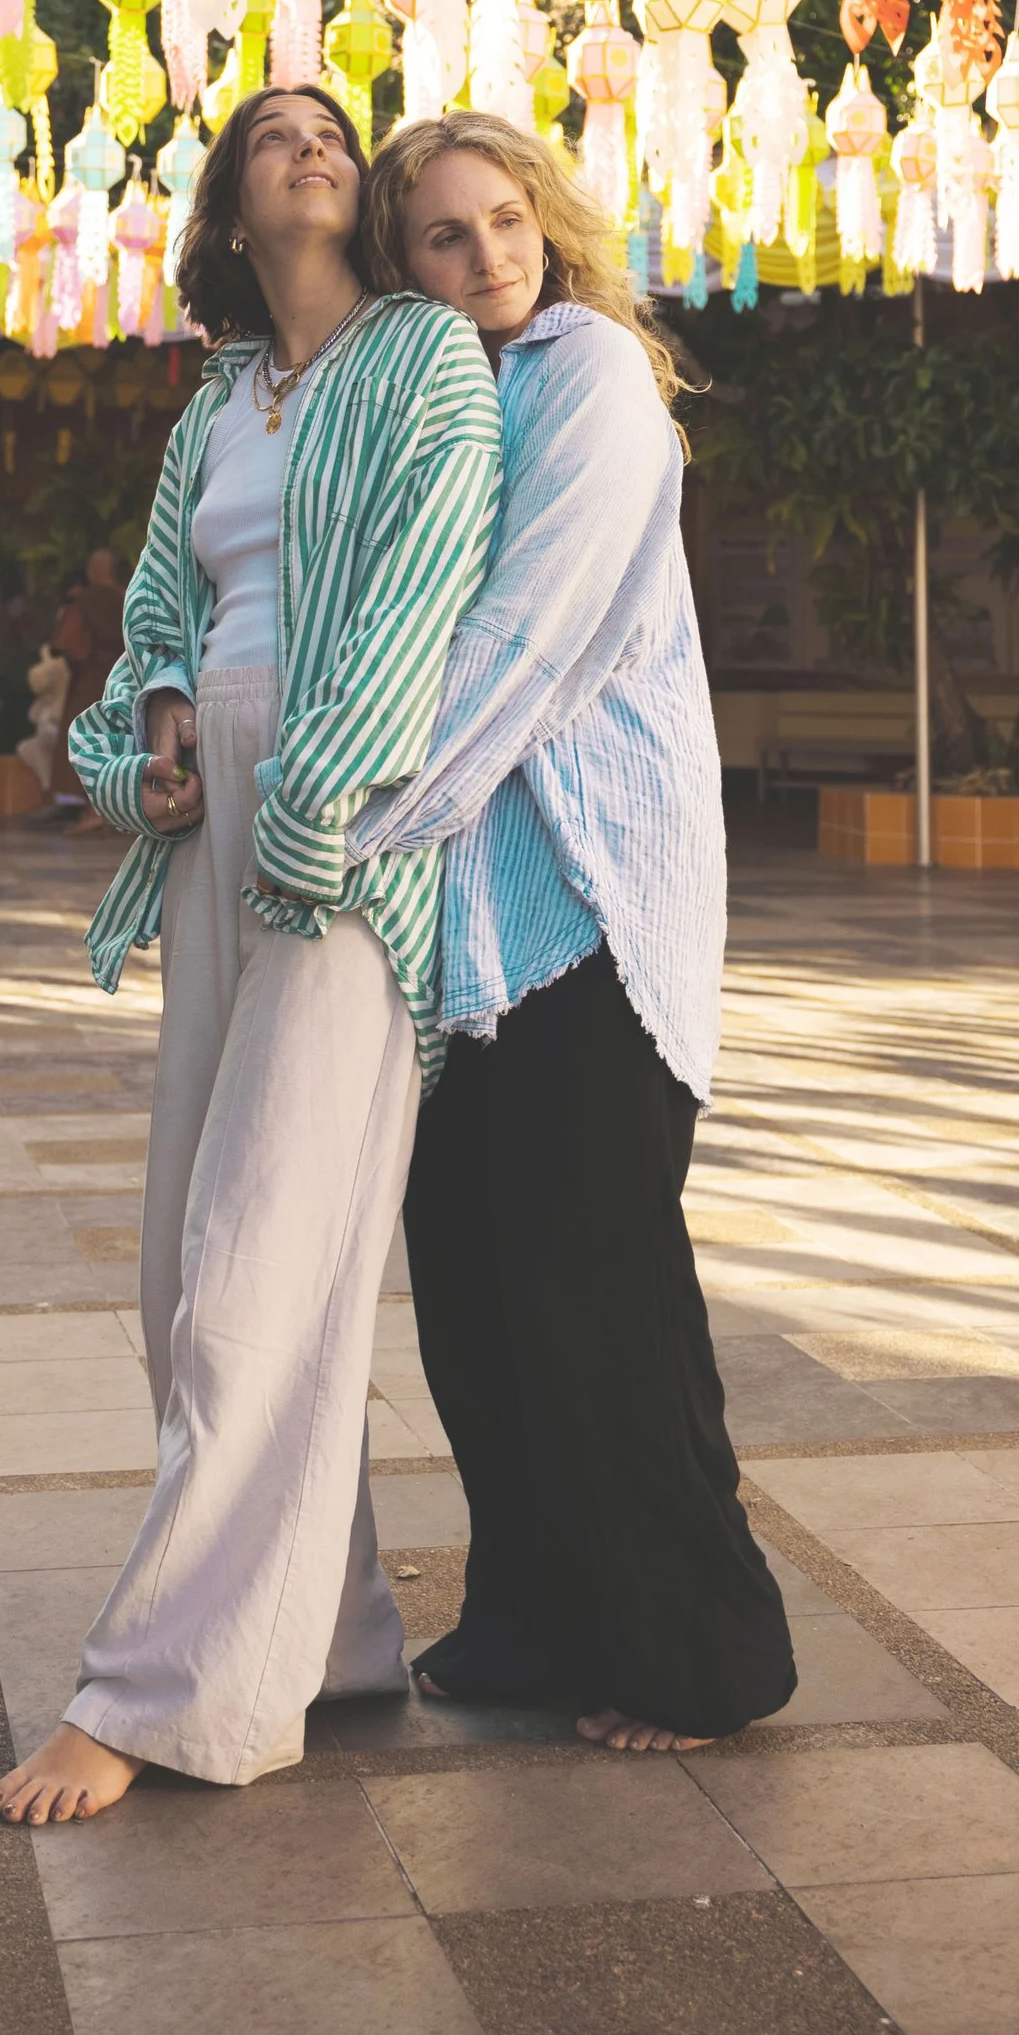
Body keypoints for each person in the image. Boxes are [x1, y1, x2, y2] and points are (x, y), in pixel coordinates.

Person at [0, 87, 500, 1828]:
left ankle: (159, 1693)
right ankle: (333, 1629)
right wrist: (165, 729)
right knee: (178, 1266)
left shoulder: (426, 357)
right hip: (218, 819)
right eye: (273, 128)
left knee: (260, 1254)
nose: (311, 138)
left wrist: (323, 795)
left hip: (346, 833)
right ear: (229, 196)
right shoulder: (218, 404)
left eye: (334, 127)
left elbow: (423, 587)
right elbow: (153, 612)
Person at [354, 110, 795, 1754]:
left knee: (599, 1284)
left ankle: (703, 1652)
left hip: (593, 901)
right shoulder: (435, 391)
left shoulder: (589, 375)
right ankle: (537, 1620)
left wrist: (349, 818)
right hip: (466, 921)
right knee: (474, 1282)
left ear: (552, 223)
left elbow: (522, 641)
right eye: (446, 237)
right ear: (400, 265)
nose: (489, 255)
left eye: (508, 220)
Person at [41, 549, 125, 824]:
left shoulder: (86, 599)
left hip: (91, 677)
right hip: (124, 676)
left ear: (93, 571)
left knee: (81, 734)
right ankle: (112, 806)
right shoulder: (127, 597)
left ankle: (88, 808)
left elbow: (67, 645)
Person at [15, 640, 73, 801]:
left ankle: (52, 791)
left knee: (39, 746)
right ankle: (52, 790)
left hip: (59, 725)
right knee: (28, 748)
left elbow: (38, 679)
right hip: (55, 724)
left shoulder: (60, 665)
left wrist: (47, 659)